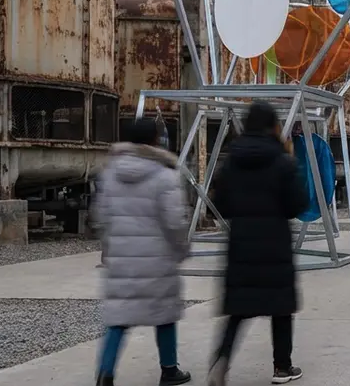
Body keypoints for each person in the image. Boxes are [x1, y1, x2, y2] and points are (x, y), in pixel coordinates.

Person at [208, 101, 308, 386]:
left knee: (238, 310)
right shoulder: (281, 160)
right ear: (272, 125)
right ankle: (282, 367)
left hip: (241, 244)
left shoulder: (232, 159)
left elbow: (221, 204)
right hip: (274, 245)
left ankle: (221, 360)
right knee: (280, 308)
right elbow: (297, 205)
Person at [93, 119, 193, 386]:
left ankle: (105, 374)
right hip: (157, 259)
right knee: (165, 314)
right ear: (155, 140)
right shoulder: (164, 175)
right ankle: (169, 369)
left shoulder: (110, 172)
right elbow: (175, 222)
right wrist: (182, 249)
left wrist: (109, 248)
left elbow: (101, 216)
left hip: (122, 258)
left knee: (118, 318)